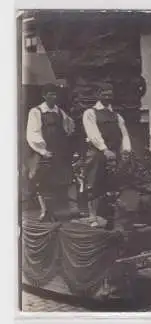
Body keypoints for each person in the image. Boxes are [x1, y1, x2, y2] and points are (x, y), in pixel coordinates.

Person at [82, 84, 132, 226]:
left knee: (114, 184)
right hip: (98, 152)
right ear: (98, 94)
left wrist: (126, 150)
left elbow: (124, 134)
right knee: (94, 183)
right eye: (104, 93)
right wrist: (104, 149)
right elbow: (93, 133)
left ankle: (110, 216)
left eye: (110, 93)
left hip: (114, 153)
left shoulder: (116, 115)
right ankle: (93, 216)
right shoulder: (90, 113)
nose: (108, 96)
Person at [26, 83, 75, 220]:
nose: (53, 97)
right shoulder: (36, 112)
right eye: (50, 94)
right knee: (42, 181)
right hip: (43, 152)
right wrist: (43, 150)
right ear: (44, 95)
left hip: (58, 151)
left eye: (55, 94)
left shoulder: (60, 112)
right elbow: (33, 133)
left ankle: (56, 211)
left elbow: (69, 127)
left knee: (58, 181)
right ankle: (44, 211)